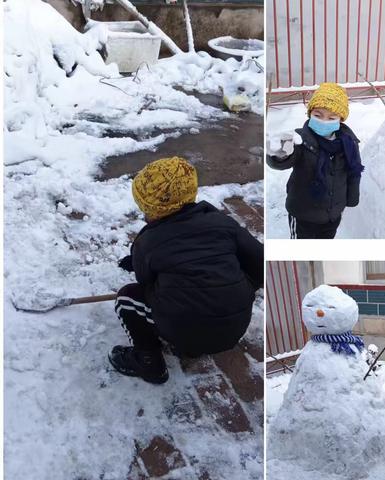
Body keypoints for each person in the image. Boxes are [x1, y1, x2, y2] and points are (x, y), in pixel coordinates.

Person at [110, 157, 264, 384]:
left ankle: (149, 362)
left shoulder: (148, 242)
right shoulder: (223, 224)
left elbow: (145, 283)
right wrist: (233, 286)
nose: (144, 213)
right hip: (235, 327)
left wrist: (145, 262)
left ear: (153, 209)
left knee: (126, 298)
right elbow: (260, 265)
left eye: (145, 208)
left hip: (184, 333)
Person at [267, 83, 364, 239]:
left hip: (333, 214)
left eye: (331, 117)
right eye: (318, 115)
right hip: (303, 214)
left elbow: (353, 174)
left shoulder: (349, 143)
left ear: (340, 120)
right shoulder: (300, 139)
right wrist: (279, 155)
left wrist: (352, 199)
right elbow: (284, 160)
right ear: (310, 113)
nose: (324, 121)